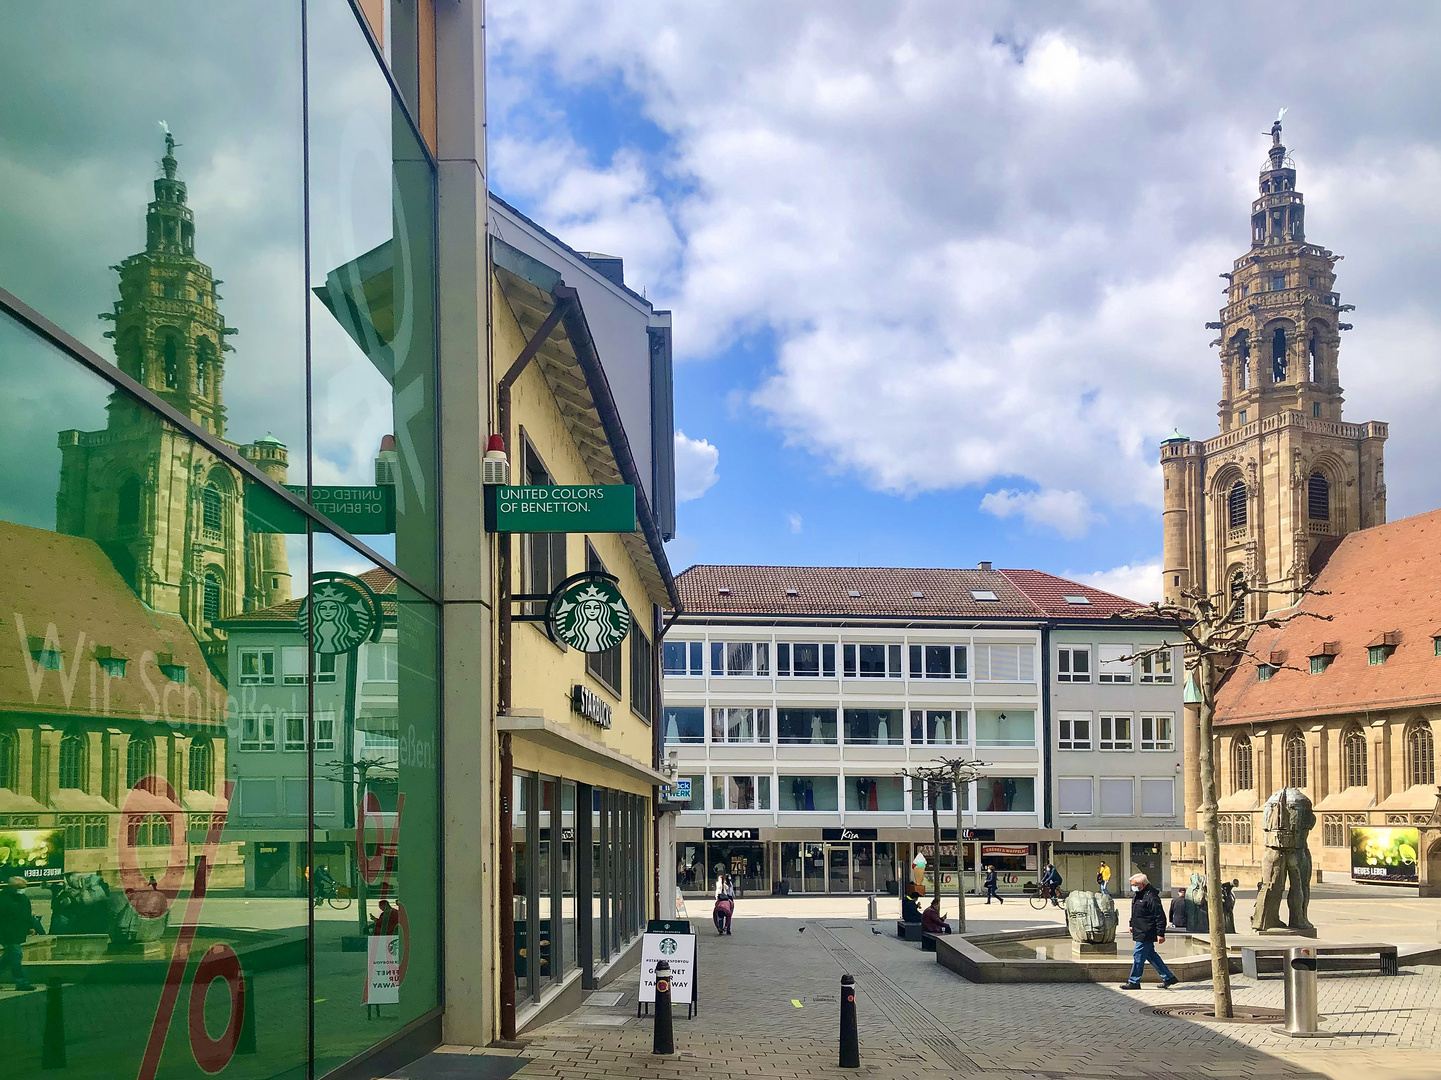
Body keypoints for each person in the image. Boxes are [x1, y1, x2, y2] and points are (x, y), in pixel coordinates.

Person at [1120, 873, 1178, 990]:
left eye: (1135, 885)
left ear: (1143, 884)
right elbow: (1135, 912)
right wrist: (1131, 924)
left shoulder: (1151, 897)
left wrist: (1160, 933)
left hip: (1147, 931)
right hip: (1139, 930)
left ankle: (1134, 981)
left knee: (1138, 955)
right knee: (1151, 955)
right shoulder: (1138, 895)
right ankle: (1168, 977)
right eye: (1132, 885)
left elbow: (1160, 916)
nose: (1133, 887)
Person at [0, 876, 36, 992]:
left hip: (18, 932)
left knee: (7, 958)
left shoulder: (23, 898)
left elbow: (27, 914)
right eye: (21, 887)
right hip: (7, 933)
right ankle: (22, 982)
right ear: (13, 887)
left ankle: (21, 982)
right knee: (16, 955)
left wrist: (31, 927)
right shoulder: (3, 899)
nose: (23, 889)